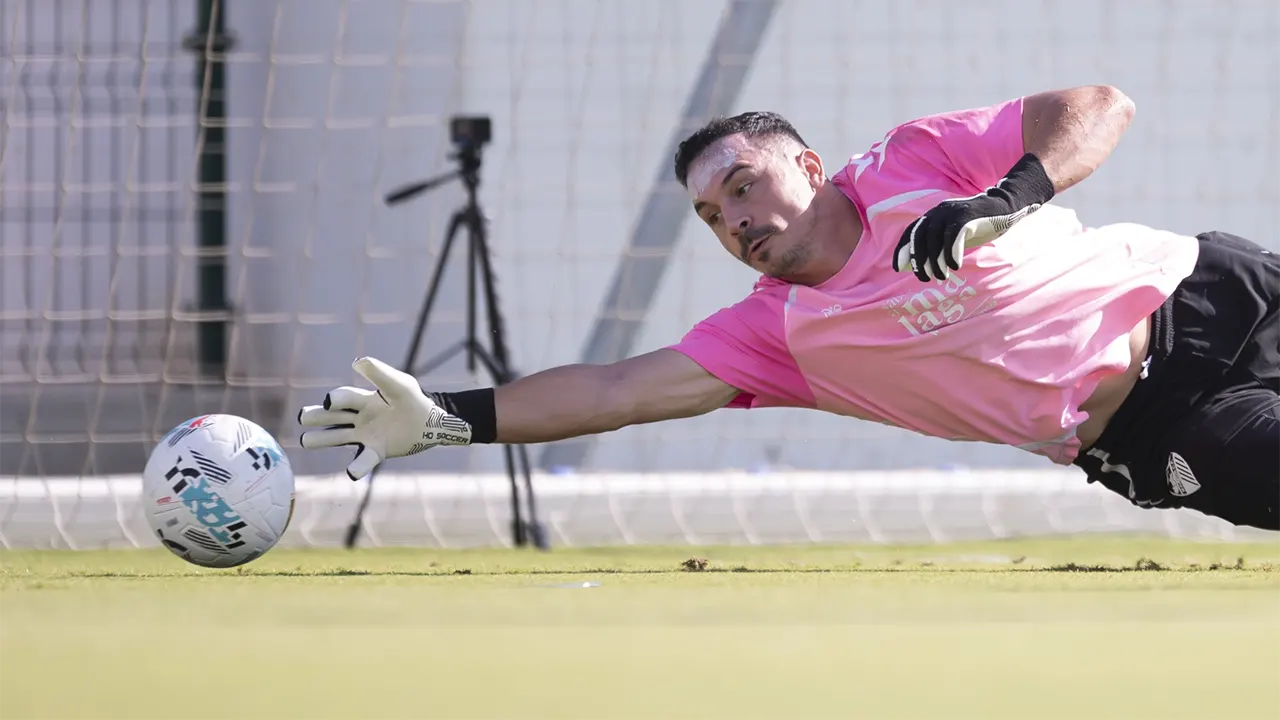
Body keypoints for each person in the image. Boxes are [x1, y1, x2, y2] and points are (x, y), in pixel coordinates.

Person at [297, 84, 1280, 531]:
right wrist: (444, 419)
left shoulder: (911, 163)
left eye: (740, 183)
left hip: (1214, 290)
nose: (730, 218)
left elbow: (1098, 106)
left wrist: (1003, 196)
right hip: (1164, 425)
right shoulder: (772, 335)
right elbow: (612, 388)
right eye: (709, 213)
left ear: (805, 166)